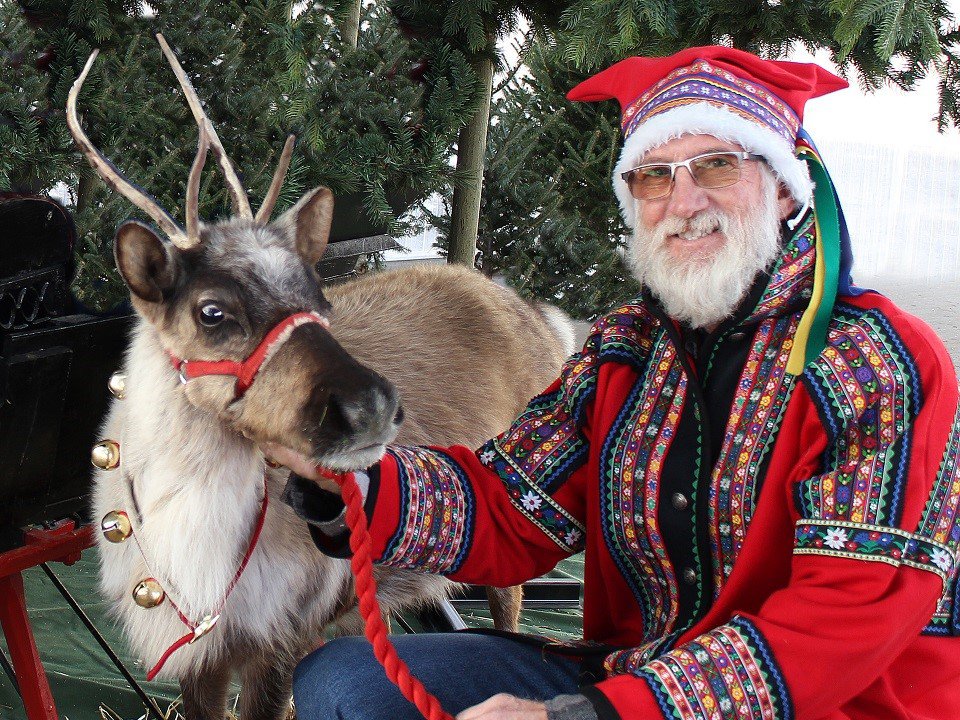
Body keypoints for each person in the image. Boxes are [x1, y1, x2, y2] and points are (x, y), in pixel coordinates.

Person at [270, 46, 960, 720]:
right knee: (346, 681)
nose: (684, 202)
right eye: (654, 176)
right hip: (634, 676)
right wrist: (356, 484)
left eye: (716, 165)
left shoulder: (878, 364)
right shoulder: (627, 349)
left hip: (831, 700)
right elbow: (513, 502)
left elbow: (841, 622)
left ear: (783, 187)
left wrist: (591, 713)